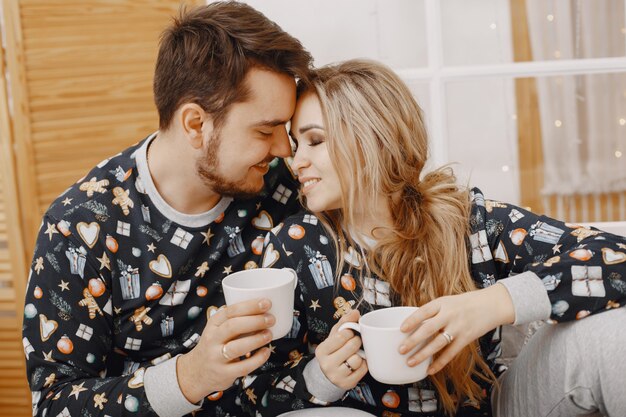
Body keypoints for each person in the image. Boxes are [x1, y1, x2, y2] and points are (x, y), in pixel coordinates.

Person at [239, 59, 626, 417]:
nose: (295, 161)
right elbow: (252, 391)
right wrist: (320, 376)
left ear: (371, 138)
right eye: (296, 143)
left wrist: (492, 304)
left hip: (495, 406)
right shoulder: (293, 246)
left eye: (315, 141)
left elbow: (614, 256)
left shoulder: (471, 221)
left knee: (610, 335)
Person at [22, 2, 313, 416]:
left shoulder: (284, 186)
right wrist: (189, 377)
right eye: (266, 130)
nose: (285, 149)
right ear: (195, 124)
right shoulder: (77, 228)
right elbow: (53, 406)